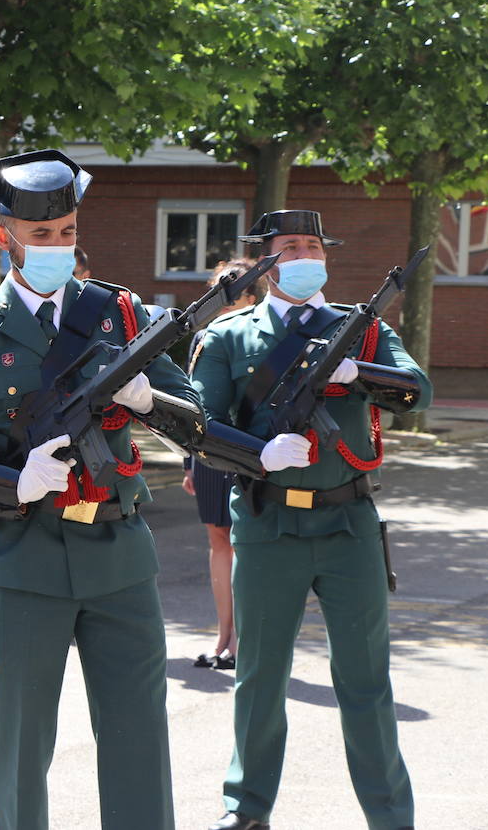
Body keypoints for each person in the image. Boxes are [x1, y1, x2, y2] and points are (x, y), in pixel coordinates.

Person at [0, 150, 201, 830]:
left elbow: (196, 421)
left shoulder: (121, 315)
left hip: (118, 555)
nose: (56, 247)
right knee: (21, 744)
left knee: (137, 738)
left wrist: (147, 398)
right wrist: (16, 480)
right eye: (42, 236)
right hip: (22, 560)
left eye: (67, 232)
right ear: (3, 236)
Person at [189, 210, 430, 830]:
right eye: (289, 247)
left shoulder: (361, 328)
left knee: (365, 681)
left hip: (349, 523)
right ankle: (246, 809)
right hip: (269, 526)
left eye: (314, 246)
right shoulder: (228, 336)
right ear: (266, 261)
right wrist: (258, 454)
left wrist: (361, 373)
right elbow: (201, 429)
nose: (304, 256)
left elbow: (416, 390)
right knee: (260, 679)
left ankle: (389, 815)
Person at [182, 256, 265, 671]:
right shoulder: (204, 338)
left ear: (252, 296)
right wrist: (187, 463)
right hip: (210, 456)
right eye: (217, 293)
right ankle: (224, 635)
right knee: (218, 540)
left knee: (243, 541)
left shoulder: (257, 337)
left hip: (248, 450)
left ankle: (244, 639)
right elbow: (191, 405)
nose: (222, 302)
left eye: (231, 294)